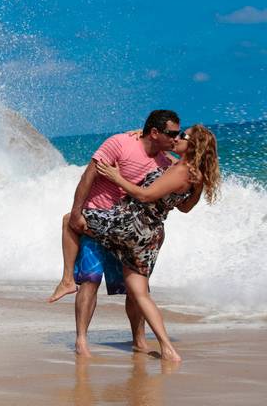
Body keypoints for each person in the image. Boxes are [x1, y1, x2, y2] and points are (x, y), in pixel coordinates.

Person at [47, 110, 186, 358]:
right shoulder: (119, 143)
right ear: (154, 132)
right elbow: (88, 176)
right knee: (90, 279)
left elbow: (189, 163)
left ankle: (139, 341)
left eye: (178, 134)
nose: (176, 138)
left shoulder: (166, 163)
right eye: (172, 133)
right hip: (97, 217)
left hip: (128, 229)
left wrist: (164, 146)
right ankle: (81, 340)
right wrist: (78, 212)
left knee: (136, 289)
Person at [86, 124, 220, 361]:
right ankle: (167, 347)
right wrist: (144, 133)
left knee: (71, 220)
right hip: (152, 234)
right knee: (139, 293)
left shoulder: (181, 170)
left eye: (182, 136)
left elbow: (145, 196)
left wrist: (116, 177)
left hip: (133, 225)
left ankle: (67, 279)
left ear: (194, 146)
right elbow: (185, 207)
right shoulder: (188, 171)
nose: (176, 137)